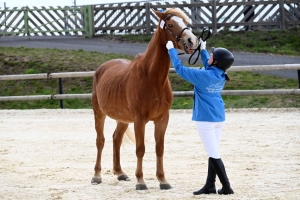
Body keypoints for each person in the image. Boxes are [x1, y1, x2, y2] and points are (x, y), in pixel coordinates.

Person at [166, 39, 234, 195]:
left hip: (205, 119)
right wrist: (202, 50)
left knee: (214, 153)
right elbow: (209, 65)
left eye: (212, 55)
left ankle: (227, 187)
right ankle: (210, 185)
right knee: (213, 151)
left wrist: (171, 51)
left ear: (215, 61)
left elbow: (179, 69)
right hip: (219, 117)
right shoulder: (221, 73)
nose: (209, 55)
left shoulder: (203, 75)